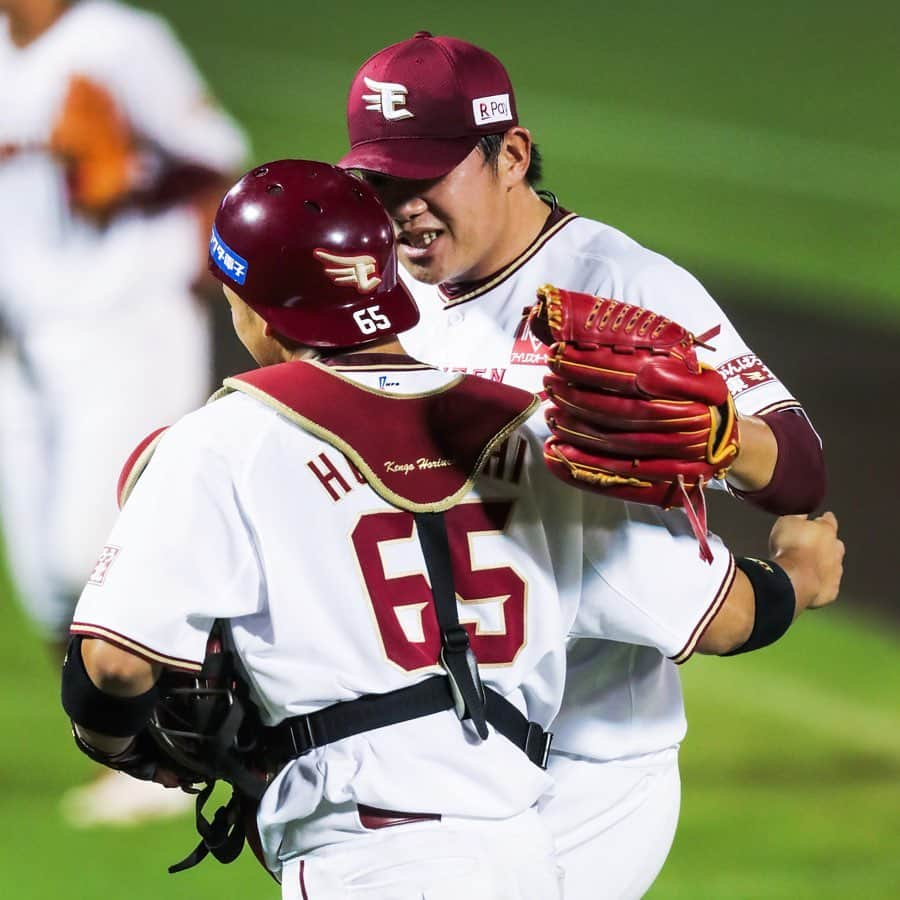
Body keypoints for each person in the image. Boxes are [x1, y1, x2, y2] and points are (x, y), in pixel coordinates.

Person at [60, 160, 842, 898]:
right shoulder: (527, 435)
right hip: (520, 854)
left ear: (259, 317)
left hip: (361, 858)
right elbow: (726, 613)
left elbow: (116, 664)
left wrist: (115, 741)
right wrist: (799, 573)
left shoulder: (220, 444)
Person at [337, 32, 829, 898]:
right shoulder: (385, 292)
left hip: (591, 761)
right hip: (432, 747)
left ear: (511, 154)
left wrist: (717, 438)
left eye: (426, 175)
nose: (401, 207)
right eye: (380, 182)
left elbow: (797, 466)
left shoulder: (622, 283)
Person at [0, 0, 248, 824]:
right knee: (42, 574)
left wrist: (122, 169)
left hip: (125, 319)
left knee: (95, 540)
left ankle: (170, 748)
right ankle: (118, 739)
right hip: (22, 334)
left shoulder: (118, 40)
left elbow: (219, 158)